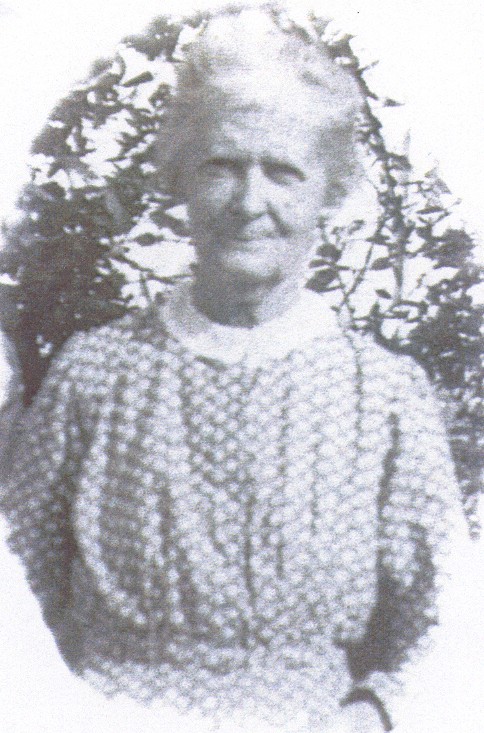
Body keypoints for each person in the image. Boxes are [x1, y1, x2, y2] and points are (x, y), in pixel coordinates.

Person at [0, 5, 471, 732]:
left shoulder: (381, 396)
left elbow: (450, 623)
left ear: (328, 192)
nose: (250, 202)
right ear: (181, 180)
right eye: (221, 166)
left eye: (283, 172)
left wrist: (372, 715)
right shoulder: (93, 376)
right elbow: (14, 601)